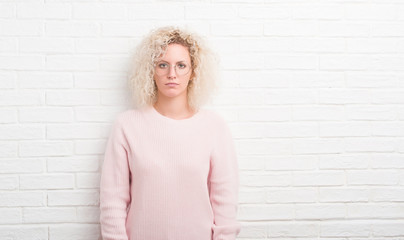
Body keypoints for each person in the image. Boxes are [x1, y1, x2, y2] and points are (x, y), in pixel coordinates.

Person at [99, 26, 241, 240]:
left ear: (193, 72)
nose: (171, 74)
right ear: (151, 70)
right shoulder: (127, 125)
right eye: (162, 65)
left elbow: (225, 201)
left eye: (181, 65)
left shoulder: (214, 126)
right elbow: (113, 200)